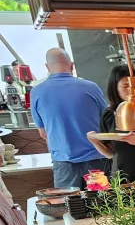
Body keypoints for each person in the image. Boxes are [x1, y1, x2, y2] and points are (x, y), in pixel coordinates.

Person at [30, 49, 110, 189]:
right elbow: (108, 120)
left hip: (64, 164)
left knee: (69, 208)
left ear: (47, 67)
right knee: (103, 205)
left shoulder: (37, 92)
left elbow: (43, 134)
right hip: (97, 160)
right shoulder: (91, 87)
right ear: (72, 65)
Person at [86, 64, 135, 182]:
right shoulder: (109, 114)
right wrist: (94, 142)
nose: (131, 90)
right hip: (121, 175)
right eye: (126, 86)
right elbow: (111, 154)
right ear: (115, 88)